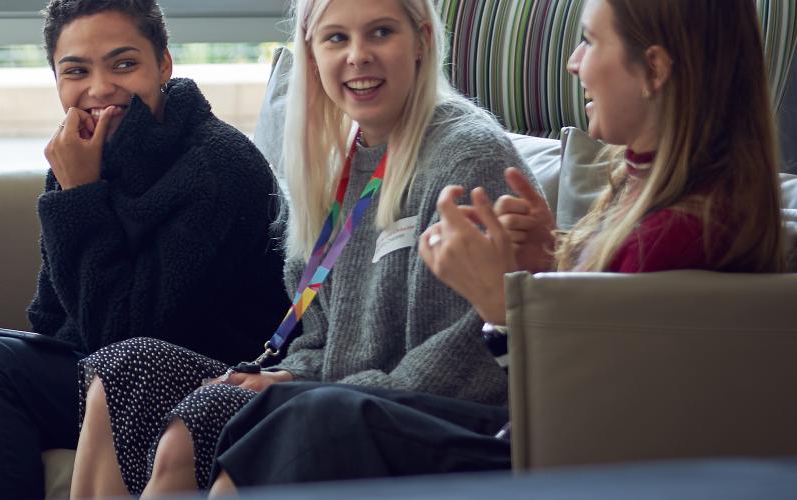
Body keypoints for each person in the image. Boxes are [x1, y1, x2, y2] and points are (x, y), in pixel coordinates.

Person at [209, 0, 789, 494]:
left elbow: (591, 416)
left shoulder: (676, 236)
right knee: (274, 410)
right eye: (335, 38)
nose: (573, 63)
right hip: (544, 437)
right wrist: (548, 261)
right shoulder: (650, 191)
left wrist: (502, 305)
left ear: (654, 69)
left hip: (545, 455)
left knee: (313, 418)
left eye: (588, 41)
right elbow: (607, 340)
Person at [70, 0, 539, 496]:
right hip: (334, 398)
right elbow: (316, 335)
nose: (358, 56)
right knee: (128, 365)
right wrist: (291, 374)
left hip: (430, 416)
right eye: (336, 39)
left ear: (421, 40)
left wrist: (314, 393)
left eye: (380, 33)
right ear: (312, 55)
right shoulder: (338, 158)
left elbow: (475, 354)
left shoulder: (467, 156)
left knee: (203, 422)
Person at [0, 0, 291, 497]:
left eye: (124, 64)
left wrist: (81, 197)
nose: (100, 88)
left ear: (163, 63)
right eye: (76, 71)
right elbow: (52, 317)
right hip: (106, 363)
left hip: (194, 378)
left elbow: (129, 339)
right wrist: (76, 190)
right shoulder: (83, 154)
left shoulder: (218, 166)